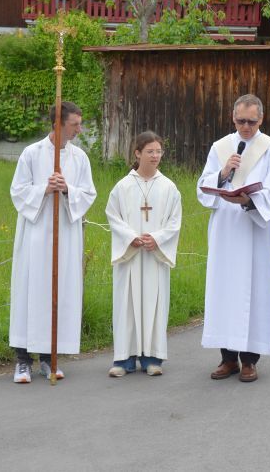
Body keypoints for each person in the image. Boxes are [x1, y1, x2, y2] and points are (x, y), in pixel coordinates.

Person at [196, 94, 270, 383]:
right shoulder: (220, 147)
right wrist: (223, 173)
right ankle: (227, 358)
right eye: (240, 121)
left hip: (254, 228)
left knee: (253, 291)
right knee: (224, 289)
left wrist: (248, 201)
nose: (246, 127)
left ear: (261, 119)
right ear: (233, 118)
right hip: (225, 228)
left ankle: (249, 360)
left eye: (251, 122)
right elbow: (203, 186)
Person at [9, 101, 97, 383]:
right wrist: (45, 189)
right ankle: (23, 360)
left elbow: (89, 193)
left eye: (79, 124)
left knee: (57, 292)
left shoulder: (79, 158)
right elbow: (17, 191)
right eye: (74, 124)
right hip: (35, 235)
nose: (79, 130)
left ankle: (49, 358)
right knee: (30, 291)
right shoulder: (31, 153)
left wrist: (68, 189)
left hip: (65, 235)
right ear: (58, 124)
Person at [105, 131, 182, 377]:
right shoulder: (123, 186)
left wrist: (157, 238)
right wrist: (130, 237)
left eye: (158, 151)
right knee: (126, 305)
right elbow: (113, 215)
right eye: (150, 151)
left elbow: (174, 222)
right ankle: (124, 359)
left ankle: (152, 358)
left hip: (154, 256)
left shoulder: (169, 187)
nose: (155, 156)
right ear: (137, 153)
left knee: (154, 304)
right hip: (131, 255)